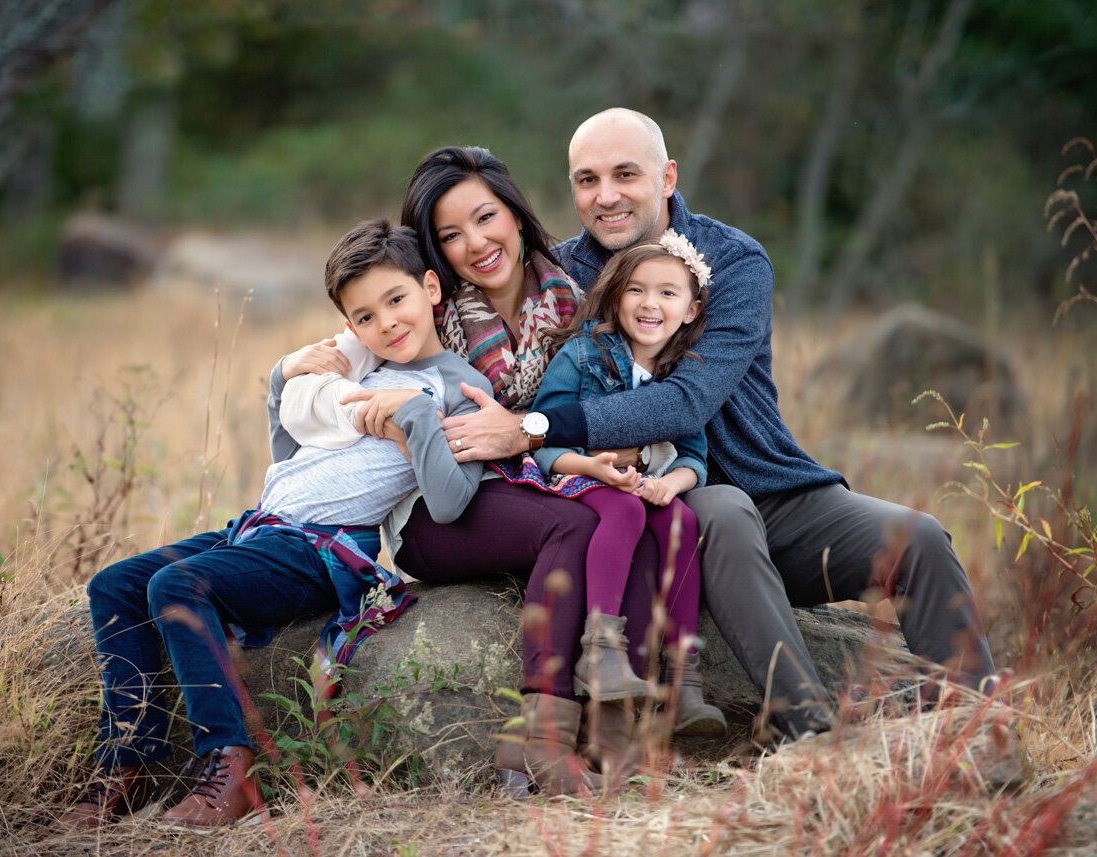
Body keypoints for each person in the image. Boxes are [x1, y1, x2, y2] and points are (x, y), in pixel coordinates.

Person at [442, 108, 998, 740]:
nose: (606, 196)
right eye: (586, 179)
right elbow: (421, 299)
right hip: (666, 507)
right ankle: (815, 737)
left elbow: (685, 403)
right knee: (725, 509)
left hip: (774, 493)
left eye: (626, 174)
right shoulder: (563, 276)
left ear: (668, 176)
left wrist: (532, 427)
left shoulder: (732, 262)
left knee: (917, 538)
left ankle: (982, 733)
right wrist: (331, 357)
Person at [52, 219, 488, 833]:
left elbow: (451, 502)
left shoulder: (456, 386)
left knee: (178, 588)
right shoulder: (356, 369)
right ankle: (127, 760)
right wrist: (282, 382)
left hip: (324, 551)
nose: (386, 323)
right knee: (114, 585)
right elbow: (290, 455)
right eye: (364, 316)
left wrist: (416, 417)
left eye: (396, 300)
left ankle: (228, 764)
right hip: (258, 530)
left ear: (431, 289)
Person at [282, 147, 614, 797]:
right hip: (429, 517)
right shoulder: (396, 327)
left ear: (517, 214)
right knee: (569, 525)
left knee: (595, 517)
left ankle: (605, 721)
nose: (474, 244)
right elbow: (333, 363)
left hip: (499, 485)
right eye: (450, 235)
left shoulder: (567, 306)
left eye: (485, 218)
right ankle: (541, 738)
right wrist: (294, 368)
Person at [519, 232, 725, 738]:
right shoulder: (583, 354)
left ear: (692, 310)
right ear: (615, 297)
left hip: (642, 485)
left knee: (680, 520)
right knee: (627, 512)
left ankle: (683, 681)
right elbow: (540, 438)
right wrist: (592, 467)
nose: (650, 303)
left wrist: (671, 484)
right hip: (578, 479)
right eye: (636, 290)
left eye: (668, 293)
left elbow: (695, 456)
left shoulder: (683, 375)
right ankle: (600, 650)